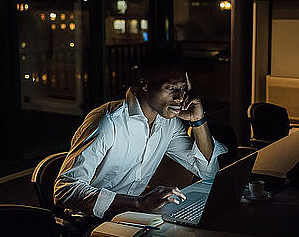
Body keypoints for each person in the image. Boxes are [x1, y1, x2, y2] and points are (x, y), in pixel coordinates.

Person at [54, 53, 227, 220]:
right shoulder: (109, 121)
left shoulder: (167, 123)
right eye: (171, 88)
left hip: (132, 216)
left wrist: (198, 121)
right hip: (88, 221)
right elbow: (65, 190)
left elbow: (208, 172)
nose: (180, 98)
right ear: (144, 85)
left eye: (183, 89)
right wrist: (139, 203)